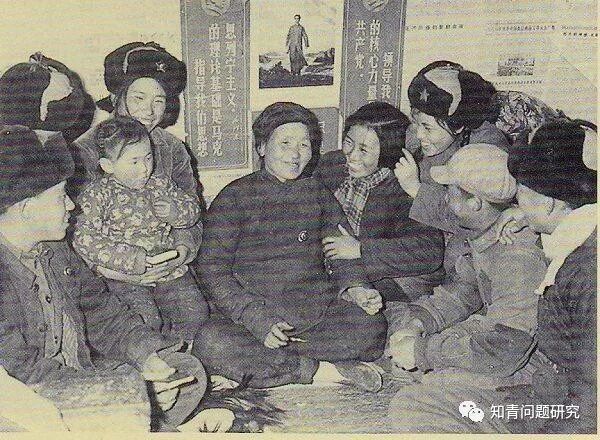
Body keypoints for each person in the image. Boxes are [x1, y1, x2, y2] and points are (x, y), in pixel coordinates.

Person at [0, 124, 225, 431]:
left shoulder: (57, 251)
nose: (72, 205)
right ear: (26, 209)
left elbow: (103, 313)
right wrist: (128, 389)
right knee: (134, 398)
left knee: (185, 371)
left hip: (81, 376)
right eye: (61, 196)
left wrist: (146, 355)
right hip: (31, 400)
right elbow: (23, 373)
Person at [386, 120, 596, 434]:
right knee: (428, 376)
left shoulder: (542, 261)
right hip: (541, 369)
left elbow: (508, 348)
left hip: (552, 390)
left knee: (415, 403)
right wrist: (422, 322)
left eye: (522, 194)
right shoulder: (532, 232)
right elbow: (467, 289)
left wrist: (424, 351)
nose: (516, 203)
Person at [192, 102, 387, 392]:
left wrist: (356, 288)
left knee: (372, 326)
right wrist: (254, 317)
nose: (295, 154)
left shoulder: (316, 191)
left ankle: (279, 366)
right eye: (285, 143)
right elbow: (212, 270)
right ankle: (323, 370)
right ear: (261, 147)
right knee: (212, 343)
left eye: (304, 145)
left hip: (316, 314)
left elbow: (340, 249)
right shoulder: (235, 197)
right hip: (257, 320)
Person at [72, 42, 201, 289]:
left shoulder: (172, 148)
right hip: (108, 275)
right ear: (115, 98)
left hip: (168, 266)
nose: (149, 111)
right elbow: (75, 233)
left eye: (159, 101)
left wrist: (182, 250)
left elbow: (191, 209)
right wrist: (115, 273)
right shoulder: (84, 150)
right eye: (139, 98)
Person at [72, 117, 207, 343]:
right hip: (123, 276)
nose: (145, 168)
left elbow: (193, 210)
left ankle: (178, 353)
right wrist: (133, 260)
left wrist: (176, 212)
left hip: (168, 268)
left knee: (195, 313)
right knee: (144, 320)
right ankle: (153, 355)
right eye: (134, 162)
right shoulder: (97, 194)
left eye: (148, 157)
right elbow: (85, 239)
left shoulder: (160, 183)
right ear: (108, 166)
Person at [313, 101, 445, 302]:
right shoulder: (332, 164)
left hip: (390, 279)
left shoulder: (402, 187)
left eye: (364, 150)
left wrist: (360, 249)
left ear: (387, 152)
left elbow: (429, 251)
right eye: (349, 143)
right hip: (339, 267)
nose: (352, 156)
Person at [394, 63, 510, 272]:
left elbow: (478, 217)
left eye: (427, 128)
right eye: (416, 123)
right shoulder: (423, 133)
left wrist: (415, 189)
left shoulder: (487, 148)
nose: (419, 135)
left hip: (465, 254)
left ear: (458, 126)